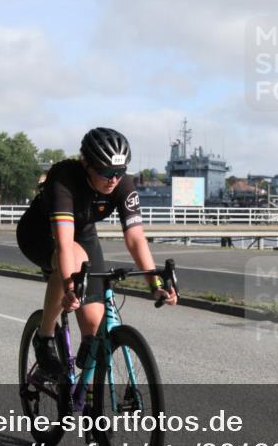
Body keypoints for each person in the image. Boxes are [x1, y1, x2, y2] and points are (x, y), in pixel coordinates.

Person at [16, 128, 177, 374]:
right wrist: (70, 288)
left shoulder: (122, 185)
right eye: (106, 172)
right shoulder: (64, 178)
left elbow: (135, 239)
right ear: (86, 164)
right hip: (40, 233)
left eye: (120, 172)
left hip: (83, 232)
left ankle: (87, 393)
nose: (113, 179)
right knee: (75, 260)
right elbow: (64, 244)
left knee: (94, 330)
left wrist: (155, 284)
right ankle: (44, 336)